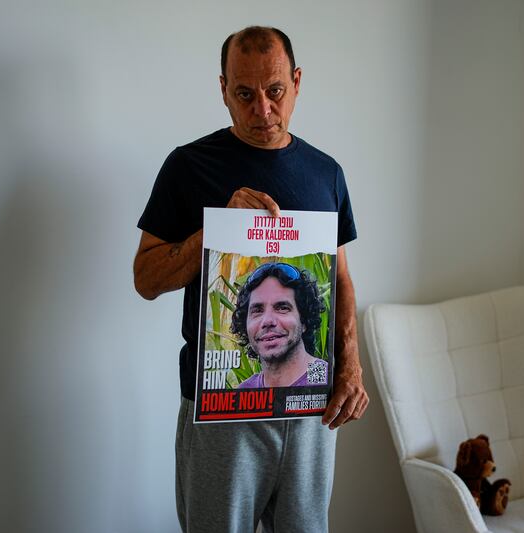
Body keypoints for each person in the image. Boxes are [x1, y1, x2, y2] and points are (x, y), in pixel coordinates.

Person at [133, 26, 368, 533]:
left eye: (275, 91)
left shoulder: (326, 172)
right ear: (223, 89)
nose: (262, 109)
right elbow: (146, 276)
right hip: (222, 413)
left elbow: (342, 277)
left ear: (298, 82)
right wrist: (215, 228)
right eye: (244, 94)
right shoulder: (188, 165)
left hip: (310, 409)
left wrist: (350, 364)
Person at [232, 262, 329, 389]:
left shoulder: (326, 379)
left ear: (304, 320)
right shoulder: (244, 391)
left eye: (282, 308)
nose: (267, 321)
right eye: (257, 311)